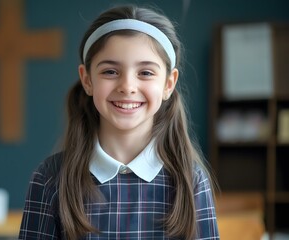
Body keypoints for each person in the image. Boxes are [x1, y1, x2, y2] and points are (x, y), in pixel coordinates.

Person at [19, 4, 219, 240]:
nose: (127, 86)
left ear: (168, 84)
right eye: (110, 72)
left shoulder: (191, 181)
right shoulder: (50, 178)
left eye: (145, 72)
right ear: (87, 79)